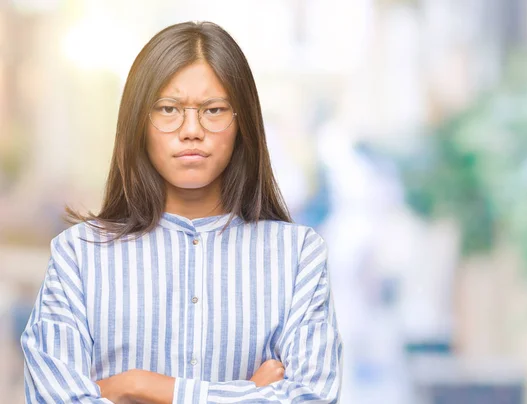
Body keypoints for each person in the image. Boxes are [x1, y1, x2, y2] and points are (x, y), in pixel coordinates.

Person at [21, 21, 342, 403]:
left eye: (214, 110)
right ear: (138, 121)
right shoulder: (78, 255)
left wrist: (139, 386)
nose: (192, 130)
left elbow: (312, 396)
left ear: (244, 123)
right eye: (169, 109)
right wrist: (251, 393)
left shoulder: (297, 256)